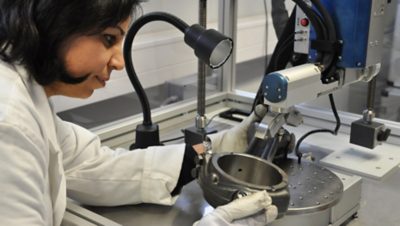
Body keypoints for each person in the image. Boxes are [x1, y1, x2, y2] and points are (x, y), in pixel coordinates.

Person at [0, 1, 277, 225]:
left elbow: (94, 165)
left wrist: (213, 147)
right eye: (109, 39)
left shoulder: (30, 98)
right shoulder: (9, 122)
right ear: (56, 24)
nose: (120, 62)